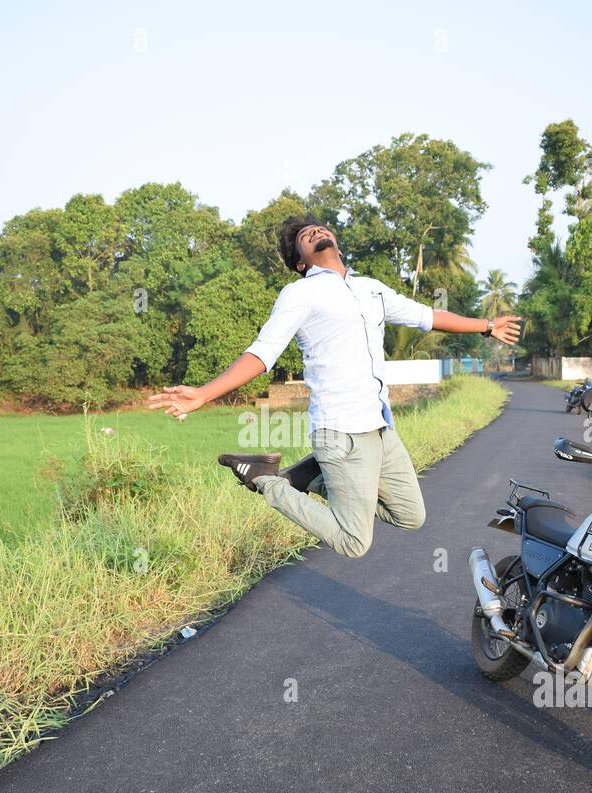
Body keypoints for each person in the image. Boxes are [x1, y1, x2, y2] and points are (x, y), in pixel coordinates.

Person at [147, 217, 520, 558]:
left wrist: (487, 326)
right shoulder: (299, 294)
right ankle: (266, 480)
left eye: (319, 228)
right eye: (304, 237)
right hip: (341, 432)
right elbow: (262, 354)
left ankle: (315, 477)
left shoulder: (370, 288)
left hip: (380, 428)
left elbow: (430, 317)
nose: (315, 232)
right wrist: (203, 393)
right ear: (301, 263)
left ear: (336, 242)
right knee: (354, 542)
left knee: (411, 515)